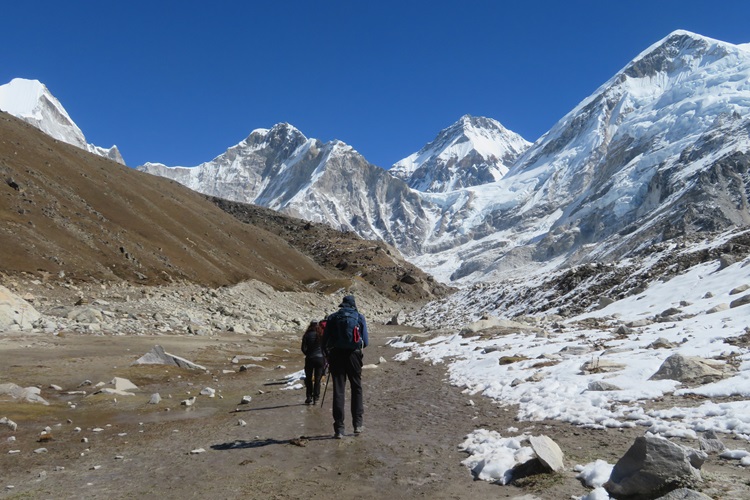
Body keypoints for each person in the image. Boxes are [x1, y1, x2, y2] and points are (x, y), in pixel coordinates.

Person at [323, 295, 368, 438]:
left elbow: (325, 341)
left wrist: (328, 355)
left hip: (336, 356)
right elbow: (365, 341)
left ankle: (339, 429)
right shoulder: (359, 317)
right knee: (357, 388)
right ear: (354, 304)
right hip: (354, 356)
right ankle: (358, 425)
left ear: (342, 304)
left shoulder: (332, 318)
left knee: (339, 390)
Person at [300, 320, 326, 405]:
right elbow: (325, 347)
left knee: (308, 378)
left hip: (310, 358)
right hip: (320, 359)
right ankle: (316, 398)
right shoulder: (321, 334)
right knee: (317, 379)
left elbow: (303, 348)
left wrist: (308, 354)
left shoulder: (306, 335)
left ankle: (308, 397)